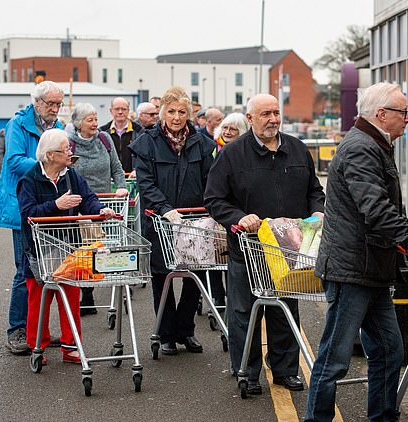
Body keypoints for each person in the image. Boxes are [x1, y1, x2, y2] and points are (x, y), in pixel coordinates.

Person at [304, 82, 408, 422]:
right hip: (351, 272)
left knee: (389, 350)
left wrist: (405, 243)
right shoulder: (361, 149)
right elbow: (376, 209)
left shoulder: (375, 144)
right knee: (334, 358)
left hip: (370, 269)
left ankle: (382, 416)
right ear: (381, 114)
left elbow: (379, 209)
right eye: (403, 112)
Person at [205, 93, 325, 395]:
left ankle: (285, 370)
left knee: (285, 310)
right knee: (245, 313)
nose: (273, 119)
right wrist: (239, 217)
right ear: (250, 118)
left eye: (276, 113)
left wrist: (318, 210)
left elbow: (314, 189)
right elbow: (214, 199)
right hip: (248, 249)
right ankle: (246, 370)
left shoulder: (297, 149)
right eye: (265, 114)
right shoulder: (232, 155)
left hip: (288, 248)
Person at [129, 86, 216, 355]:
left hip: (194, 220)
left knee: (194, 275)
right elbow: (146, 183)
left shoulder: (202, 144)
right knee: (162, 277)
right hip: (160, 220)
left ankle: (186, 330)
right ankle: (166, 333)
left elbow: (210, 180)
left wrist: (209, 209)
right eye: (171, 111)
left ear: (188, 114)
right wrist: (166, 209)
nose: (176, 117)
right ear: (162, 113)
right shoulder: (146, 143)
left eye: (182, 112)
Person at [17, 128, 116, 365]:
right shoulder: (29, 179)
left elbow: (88, 198)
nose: (70, 152)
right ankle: (36, 347)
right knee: (38, 300)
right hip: (38, 251)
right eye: (66, 149)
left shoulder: (71, 175)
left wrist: (100, 210)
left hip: (68, 247)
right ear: (51, 155)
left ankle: (71, 347)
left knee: (71, 297)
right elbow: (27, 214)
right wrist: (56, 205)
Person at [0, 80, 65, 354]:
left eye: (58, 104)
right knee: (25, 270)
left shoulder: (57, 128)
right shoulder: (18, 125)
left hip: (49, 208)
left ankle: (39, 331)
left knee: (47, 272)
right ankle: (17, 330)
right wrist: (48, 164)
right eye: (50, 104)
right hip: (22, 206)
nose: (55, 109)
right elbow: (13, 161)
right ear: (37, 102)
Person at [69, 102, 128, 315]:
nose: (95, 123)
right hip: (81, 205)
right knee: (86, 249)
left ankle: (116, 290)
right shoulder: (70, 145)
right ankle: (87, 294)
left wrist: (121, 187)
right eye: (89, 120)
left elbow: (116, 167)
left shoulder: (104, 139)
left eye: (95, 119)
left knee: (106, 246)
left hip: (105, 203)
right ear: (78, 123)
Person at [206, 112, 251, 310]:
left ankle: (232, 299)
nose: (228, 132)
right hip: (218, 209)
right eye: (225, 127)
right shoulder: (213, 149)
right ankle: (218, 296)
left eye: (233, 129)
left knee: (229, 258)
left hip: (236, 213)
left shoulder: (244, 151)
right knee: (216, 256)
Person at [99, 97, 143, 173]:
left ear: (129, 111)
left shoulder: (140, 131)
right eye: (117, 109)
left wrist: (137, 170)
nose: (120, 112)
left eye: (124, 109)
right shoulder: (102, 132)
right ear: (111, 111)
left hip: (133, 178)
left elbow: (144, 156)